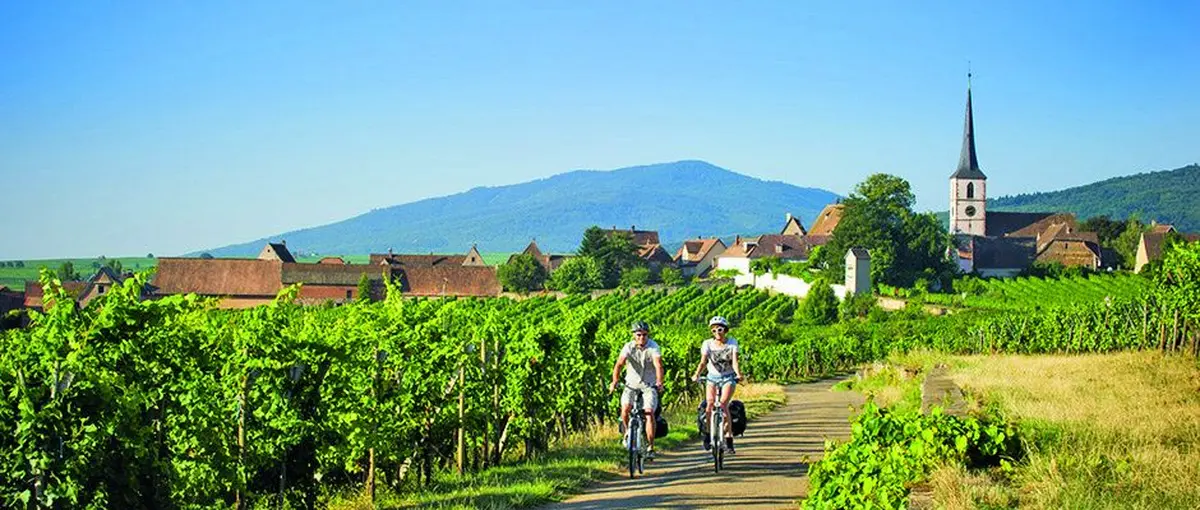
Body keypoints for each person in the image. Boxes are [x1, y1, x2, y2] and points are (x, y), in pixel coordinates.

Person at [609, 320, 665, 458]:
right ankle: (628, 432)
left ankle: (651, 447)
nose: (642, 338)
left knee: (649, 412)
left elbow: (658, 365)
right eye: (639, 335)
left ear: (648, 335)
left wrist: (659, 382)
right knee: (625, 409)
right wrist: (614, 381)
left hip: (648, 385)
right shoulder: (628, 347)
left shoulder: (653, 347)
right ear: (634, 335)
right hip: (631, 385)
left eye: (644, 335)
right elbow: (619, 364)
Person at [692, 315, 743, 453]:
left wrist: (738, 374)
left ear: (725, 330)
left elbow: (734, 361)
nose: (717, 333)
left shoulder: (732, 343)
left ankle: (729, 438)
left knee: (723, 404)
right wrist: (696, 374)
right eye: (714, 330)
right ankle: (708, 435)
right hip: (712, 378)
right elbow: (703, 362)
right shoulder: (707, 344)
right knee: (709, 404)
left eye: (720, 329)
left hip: (727, 377)